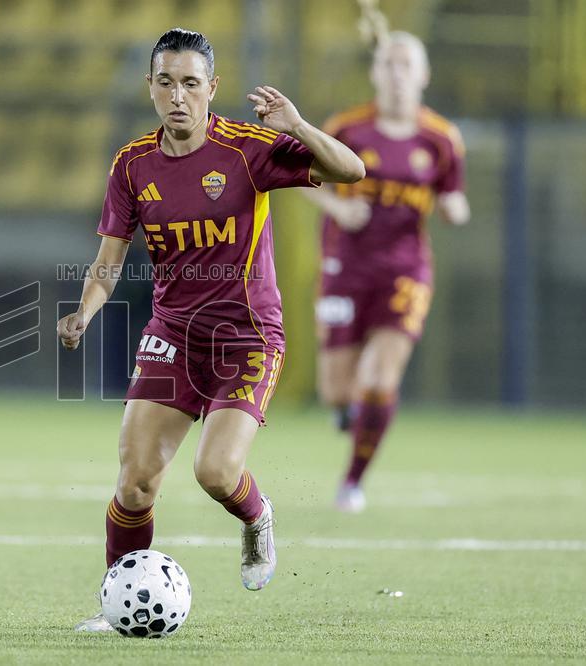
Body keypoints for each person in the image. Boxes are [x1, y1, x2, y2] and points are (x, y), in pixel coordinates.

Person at [57, 28, 364, 631]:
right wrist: (85, 311)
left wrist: (297, 125)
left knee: (214, 473)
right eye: (166, 82)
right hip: (173, 334)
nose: (178, 96)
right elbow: (108, 262)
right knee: (137, 480)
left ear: (211, 89)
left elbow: (350, 171)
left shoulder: (247, 149)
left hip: (247, 337)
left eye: (191, 84)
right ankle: (116, 603)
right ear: (149, 88)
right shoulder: (131, 165)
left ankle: (256, 517)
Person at [302, 32, 470, 513]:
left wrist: (454, 208)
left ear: (423, 75)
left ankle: (352, 481)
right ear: (375, 73)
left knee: (379, 377)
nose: (397, 74)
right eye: (388, 64)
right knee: (336, 390)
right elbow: (302, 178)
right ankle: (347, 412)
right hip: (344, 268)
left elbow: (451, 193)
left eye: (406, 65)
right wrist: (337, 205)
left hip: (405, 271)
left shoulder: (441, 138)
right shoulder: (348, 129)